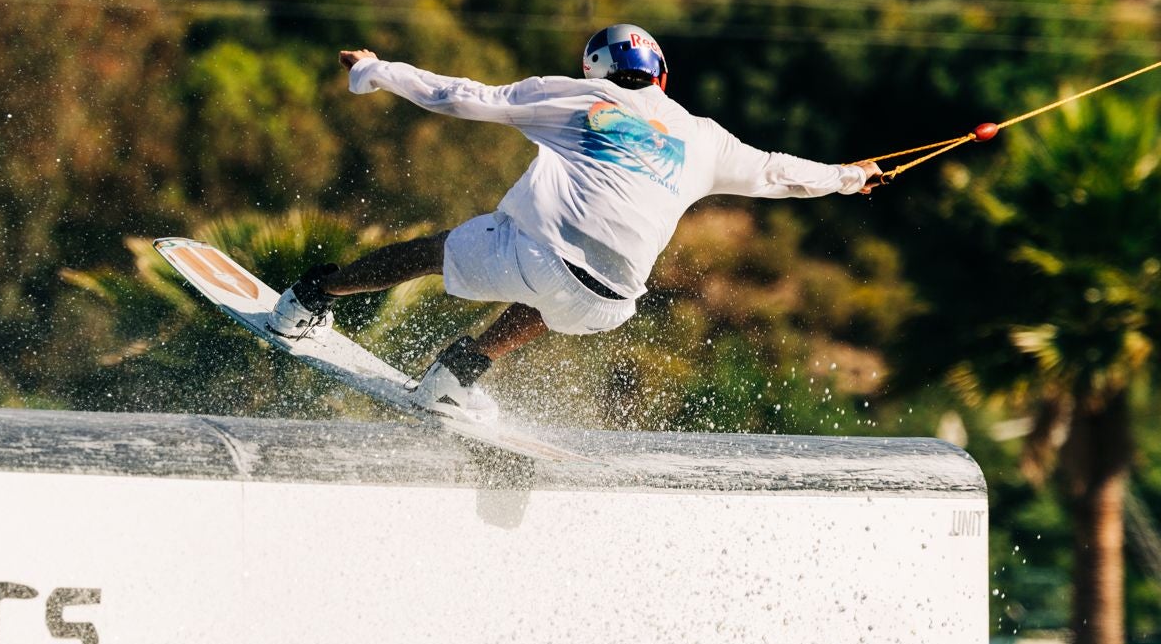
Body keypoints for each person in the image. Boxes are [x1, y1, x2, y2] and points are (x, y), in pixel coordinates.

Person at [266, 24, 883, 414]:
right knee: (560, 296)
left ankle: (308, 297)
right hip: (610, 304)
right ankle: (461, 370)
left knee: (436, 253)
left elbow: (462, 97)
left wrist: (377, 71)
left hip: (531, 255)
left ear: (595, 69)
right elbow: (779, 172)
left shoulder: (572, 95)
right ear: (662, 78)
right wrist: (850, 176)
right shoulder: (705, 139)